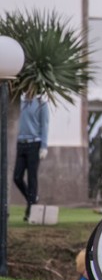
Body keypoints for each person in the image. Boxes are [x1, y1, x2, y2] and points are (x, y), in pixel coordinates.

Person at [14, 93, 49, 222]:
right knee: (17, 177)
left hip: (35, 144)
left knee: (31, 178)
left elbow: (45, 125)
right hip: (21, 143)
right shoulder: (20, 101)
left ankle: (30, 209)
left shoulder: (41, 104)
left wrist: (44, 146)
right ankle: (33, 198)